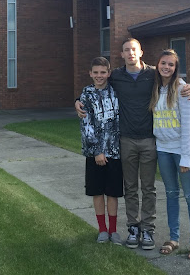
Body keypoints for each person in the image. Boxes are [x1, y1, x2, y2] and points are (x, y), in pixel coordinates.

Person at [76, 38, 190, 250]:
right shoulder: (116, 76)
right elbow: (96, 86)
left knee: (148, 188)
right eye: (126, 50)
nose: (130, 53)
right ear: (121, 54)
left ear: (141, 52)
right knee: (130, 187)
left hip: (149, 139)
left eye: (134, 49)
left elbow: (172, 78)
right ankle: (133, 228)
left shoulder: (153, 74)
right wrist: (78, 100)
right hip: (126, 140)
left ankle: (148, 229)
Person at [151, 48, 190, 260]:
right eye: (163, 63)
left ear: (176, 68)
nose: (166, 67)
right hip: (163, 150)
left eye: (171, 64)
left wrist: (186, 157)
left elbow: (189, 126)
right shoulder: (155, 87)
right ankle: (173, 238)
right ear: (157, 65)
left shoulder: (183, 90)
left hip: (182, 151)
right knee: (171, 194)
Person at [79, 56, 123, 244]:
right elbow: (86, 125)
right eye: (96, 72)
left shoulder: (116, 92)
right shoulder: (86, 94)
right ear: (90, 73)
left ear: (109, 73)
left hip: (115, 151)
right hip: (94, 153)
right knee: (97, 192)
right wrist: (97, 151)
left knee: (112, 192)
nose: (99, 76)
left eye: (103, 72)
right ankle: (102, 230)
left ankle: (113, 230)